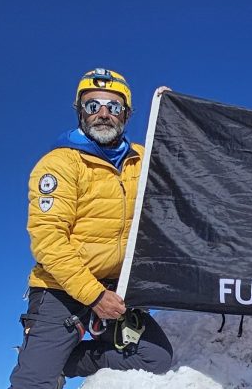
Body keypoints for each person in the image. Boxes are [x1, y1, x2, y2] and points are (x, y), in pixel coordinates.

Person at [9, 68, 173, 389]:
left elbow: (187, 164)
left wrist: (174, 116)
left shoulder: (143, 159)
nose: (102, 114)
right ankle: (44, 363)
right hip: (60, 289)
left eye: (113, 107)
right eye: (92, 105)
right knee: (33, 383)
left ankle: (65, 360)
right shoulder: (59, 164)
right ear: (79, 111)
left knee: (155, 359)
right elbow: (48, 241)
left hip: (117, 288)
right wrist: (95, 296)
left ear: (125, 114)